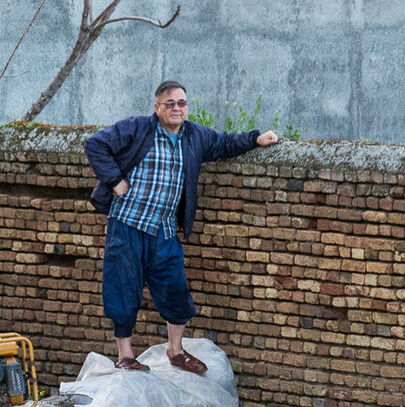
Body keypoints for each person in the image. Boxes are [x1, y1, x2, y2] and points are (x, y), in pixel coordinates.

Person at [84, 80, 279, 374]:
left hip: (163, 230)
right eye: (170, 103)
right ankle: (126, 356)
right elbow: (95, 144)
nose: (177, 108)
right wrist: (114, 180)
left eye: (182, 103)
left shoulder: (194, 136)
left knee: (176, 290)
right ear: (157, 108)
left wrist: (255, 139)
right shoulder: (138, 128)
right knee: (123, 289)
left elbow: (224, 144)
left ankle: (175, 349)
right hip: (127, 225)